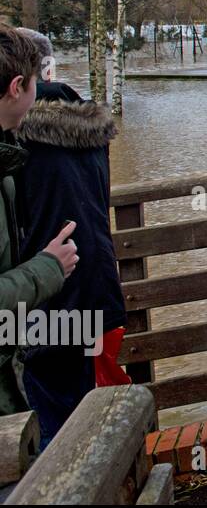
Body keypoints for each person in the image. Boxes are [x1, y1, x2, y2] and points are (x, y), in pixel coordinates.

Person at [15, 84, 126, 447]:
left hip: (49, 303)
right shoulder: (92, 136)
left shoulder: (21, 141)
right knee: (92, 411)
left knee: (52, 428)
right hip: (101, 293)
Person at [0, 26, 77, 418]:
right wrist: (47, 267)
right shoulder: (87, 129)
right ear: (19, 86)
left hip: (35, 325)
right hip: (58, 311)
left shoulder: (14, 151)